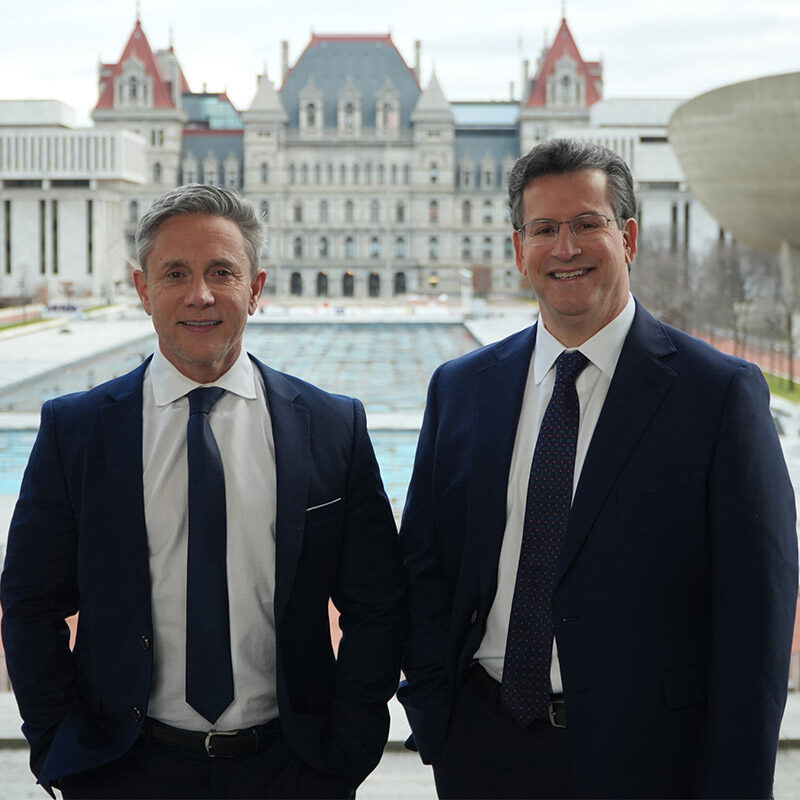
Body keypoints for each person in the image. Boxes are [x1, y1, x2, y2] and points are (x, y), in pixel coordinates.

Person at [398, 138, 798, 798]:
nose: (566, 248)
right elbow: (426, 566)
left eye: (588, 224)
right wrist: (438, 716)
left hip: (649, 762)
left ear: (628, 238)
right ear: (518, 248)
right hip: (483, 753)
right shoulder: (462, 387)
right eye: (544, 229)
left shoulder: (718, 395)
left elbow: (755, 617)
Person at [1, 184, 405, 799]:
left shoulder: (331, 427)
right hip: (124, 771)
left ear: (256, 288)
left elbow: (377, 604)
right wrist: (64, 748)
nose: (200, 295)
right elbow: (31, 603)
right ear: (143, 290)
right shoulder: (76, 431)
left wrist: (348, 747)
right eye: (175, 274)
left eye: (222, 272)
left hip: (290, 770)